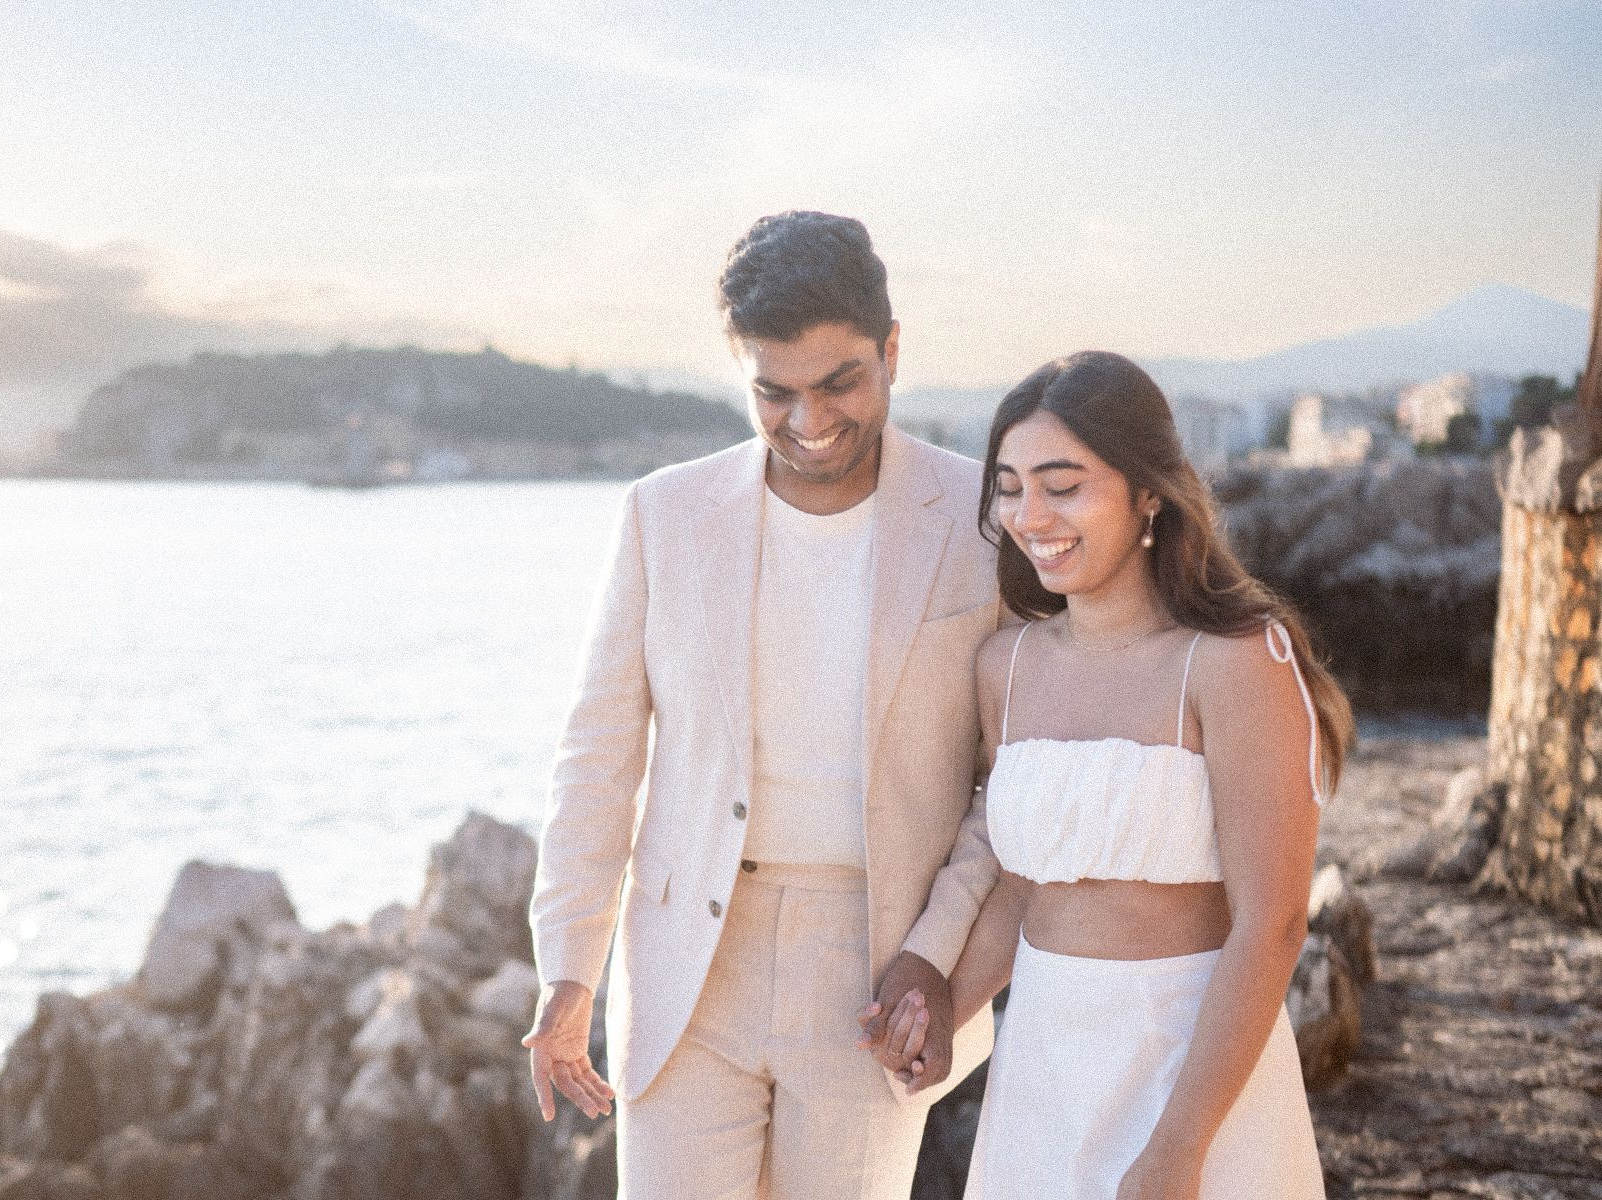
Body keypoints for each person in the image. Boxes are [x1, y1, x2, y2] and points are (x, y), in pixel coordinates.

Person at [522, 210, 1003, 1199]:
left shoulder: (981, 519)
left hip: (877, 964)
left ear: (893, 351)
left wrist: (937, 951)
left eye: (841, 384)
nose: (810, 421)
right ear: (737, 370)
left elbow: (1011, 778)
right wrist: (569, 970)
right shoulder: (663, 514)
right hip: (689, 961)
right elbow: (599, 751)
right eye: (773, 393)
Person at [874, 350, 1349, 1199]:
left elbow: (1272, 926)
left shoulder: (1237, 662)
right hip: (1043, 1072)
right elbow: (1027, 884)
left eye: (1064, 485)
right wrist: (948, 1004)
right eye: (1011, 486)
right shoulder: (1004, 666)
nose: (1031, 515)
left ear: (1149, 494)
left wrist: (1180, 1146)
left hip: (1190, 1066)